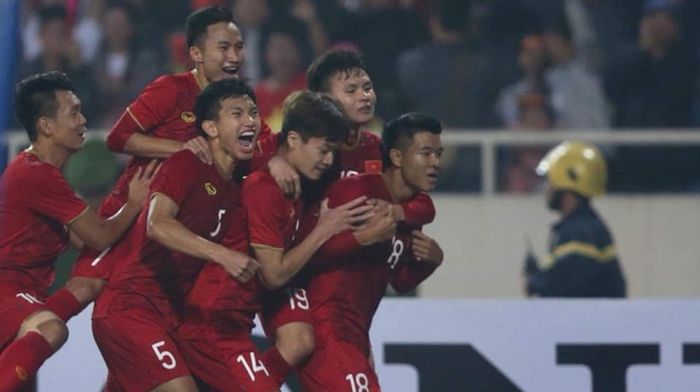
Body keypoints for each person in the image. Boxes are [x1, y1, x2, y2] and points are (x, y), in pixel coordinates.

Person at [44, 5, 254, 327]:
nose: (234, 57)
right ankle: (19, 334)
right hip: (135, 209)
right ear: (196, 53)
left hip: (179, 225)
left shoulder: (240, 107)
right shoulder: (172, 89)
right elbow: (117, 138)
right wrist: (180, 149)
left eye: (238, 47)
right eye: (223, 47)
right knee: (88, 286)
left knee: (152, 324)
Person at [251, 49, 437, 386]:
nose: (364, 96)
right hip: (301, 279)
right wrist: (273, 160)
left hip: (349, 304)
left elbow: (421, 202)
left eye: (367, 87)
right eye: (350, 90)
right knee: (298, 343)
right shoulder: (304, 146)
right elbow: (255, 152)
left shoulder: (377, 150)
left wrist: (400, 214)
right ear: (323, 100)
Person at [175, 90, 374, 391]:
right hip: (211, 327)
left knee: (299, 340)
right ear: (293, 140)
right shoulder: (266, 188)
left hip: (233, 326)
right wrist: (326, 228)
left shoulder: (289, 181)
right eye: (323, 150)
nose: (329, 160)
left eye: (333, 152)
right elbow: (274, 274)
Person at [92, 78, 261, 392]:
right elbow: (157, 224)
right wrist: (222, 254)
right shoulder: (187, 163)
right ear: (210, 128)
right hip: (132, 307)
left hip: (170, 316)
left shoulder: (236, 180)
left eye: (253, 112)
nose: (250, 120)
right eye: (237, 114)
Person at [0, 71, 154, 390]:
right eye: (74, 112)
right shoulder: (36, 175)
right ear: (46, 126)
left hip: (23, 292)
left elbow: (84, 240)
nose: (83, 120)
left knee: (82, 289)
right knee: (51, 328)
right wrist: (135, 204)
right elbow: (99, 236)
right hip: (7, 289)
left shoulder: (37, 173)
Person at [297, 112, 445, 391]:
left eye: (438, 153)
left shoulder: (409, 211)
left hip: (356, 335)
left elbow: (398, 280)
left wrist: (430, 263)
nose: (435, 162)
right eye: (426, 153)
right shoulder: (357, 190)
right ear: (398, 158)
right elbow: (305, 255)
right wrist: (361, 238)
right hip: (325, 328)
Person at [523, 141, 627, 297]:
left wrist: (537, 281)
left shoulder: (579, 232)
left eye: (550, 181)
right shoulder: (587, 226)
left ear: (567, 180)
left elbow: (568, 286)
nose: (547, 188)